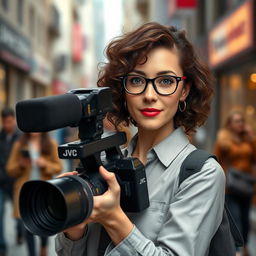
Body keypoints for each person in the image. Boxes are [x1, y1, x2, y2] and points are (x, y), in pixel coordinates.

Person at [55, 22, 225, 256]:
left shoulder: (201, 173)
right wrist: (75, 228)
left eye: (165, 81)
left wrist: (113, 218)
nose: (149, 95)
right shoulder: (105, 164)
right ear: (123, 90)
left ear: (184, 90)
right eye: (136, 80)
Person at [6, 132, 62, 256]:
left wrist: (45, 164)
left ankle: (43, 246)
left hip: (44, 191)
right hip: (25, 192)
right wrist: (20, 165)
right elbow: (10, 169)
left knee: (45, 221)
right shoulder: (19, 144)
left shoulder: (50, 143)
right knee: (28, 226)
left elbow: (58, 167)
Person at [214, 111, 256, 256]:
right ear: (230, 124)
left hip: (247, 185)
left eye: (241, 121)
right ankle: (237, 250)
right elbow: (216, 161)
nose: (239, 124)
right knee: (235, 218)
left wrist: (252, 138)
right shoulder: (224, 140)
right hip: (230, 187)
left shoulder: (248, 140)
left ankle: (245, 246)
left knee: (245, 220)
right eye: (236, 121)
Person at [0, 107, 21, 256]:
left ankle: (20, 233)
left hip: (16, 183)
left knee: (19, 215)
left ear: (13, 119)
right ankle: (2, 245)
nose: (7, 124)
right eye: (4, 122)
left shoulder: (21, 138)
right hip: (1, 183)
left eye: (9, 121)